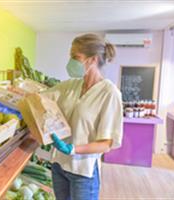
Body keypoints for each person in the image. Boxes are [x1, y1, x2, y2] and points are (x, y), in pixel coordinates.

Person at [44, 33, 123, 200]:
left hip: (83, 171)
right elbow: (40, 98)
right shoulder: (71, 85)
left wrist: (73, 149)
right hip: (59, 165)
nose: (71, 61)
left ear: (92, 59)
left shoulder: (109, 93)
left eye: (75, 57)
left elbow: (107, 143)